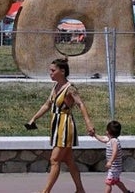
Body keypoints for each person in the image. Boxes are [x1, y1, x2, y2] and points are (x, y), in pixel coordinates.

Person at [26, 57, 95, 193]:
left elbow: (80, 104)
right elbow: (47, 104)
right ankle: (80, 190)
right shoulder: (56, 86)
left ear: (62, 71)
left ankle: (45, 191)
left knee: (54, 159)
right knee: (69, 161)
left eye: (53, 70)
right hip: (57, 125)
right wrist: (34, 118)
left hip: (65, 125)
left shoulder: (70, 89)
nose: (50, 73)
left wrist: (88, 123)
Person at [93, 120, 133, 193]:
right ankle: (127, 192)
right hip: (115, 167)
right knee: (116, 181)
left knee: (108, 182)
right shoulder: (110, 139)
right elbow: (102, 139)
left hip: (115, 167)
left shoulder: (114, 141)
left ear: (108, 131)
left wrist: (110, 161)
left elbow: (115, 151)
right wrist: (94, 135)